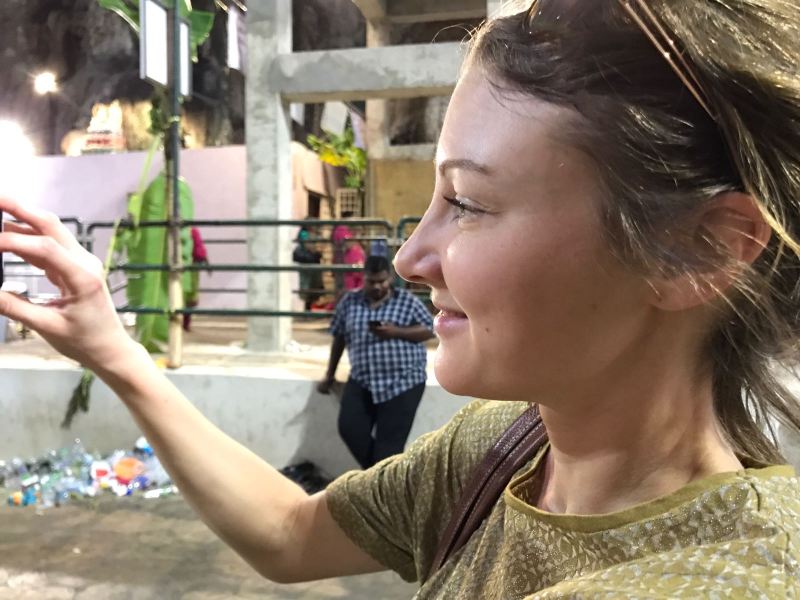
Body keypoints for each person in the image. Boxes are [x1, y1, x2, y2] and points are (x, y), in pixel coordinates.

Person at [1, 1, 799, 596]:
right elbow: (292, 532)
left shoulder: (731, 577)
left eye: (470, 203)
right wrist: (113, 348)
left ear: (702, 250)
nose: (414, 256)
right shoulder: (508, 447)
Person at [317, 255, 434, 468]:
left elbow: (429, 329)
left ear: (390, 278)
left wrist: (396, 332)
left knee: (388, 448)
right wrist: (329, 374)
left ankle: (380, 480)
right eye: (372, 281)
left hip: (403, 382)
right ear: (364, 278)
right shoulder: (349, 302)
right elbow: (339, 337)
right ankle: (380, 478)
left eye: (382, 281)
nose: (377, 286)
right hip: (362, 380)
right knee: (350, 429)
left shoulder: (406, 301)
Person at [183, 227, 209, 332]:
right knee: (190, 297)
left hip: (185, 267)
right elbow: (200, 251)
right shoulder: (193, 231)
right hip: (193, 267)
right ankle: (186, 324)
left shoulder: (190, 231)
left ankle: (183, 323)